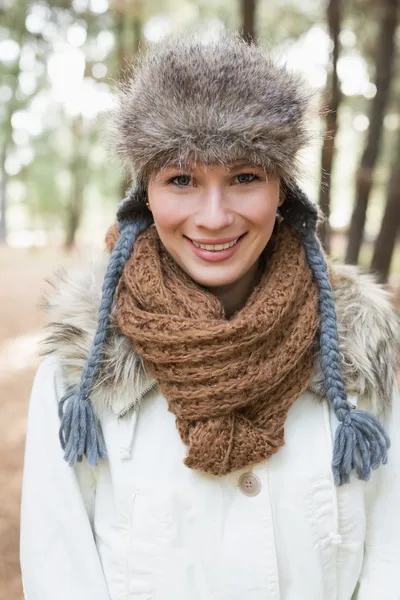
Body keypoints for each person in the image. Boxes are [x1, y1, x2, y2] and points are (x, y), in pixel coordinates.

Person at [20, 33, 400, 600]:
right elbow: (60, 568)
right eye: (181, 180)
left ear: (283, 193)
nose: (215, 216)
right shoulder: (84, 365)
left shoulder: (360, 355)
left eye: (245, 177)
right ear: (144, 196)